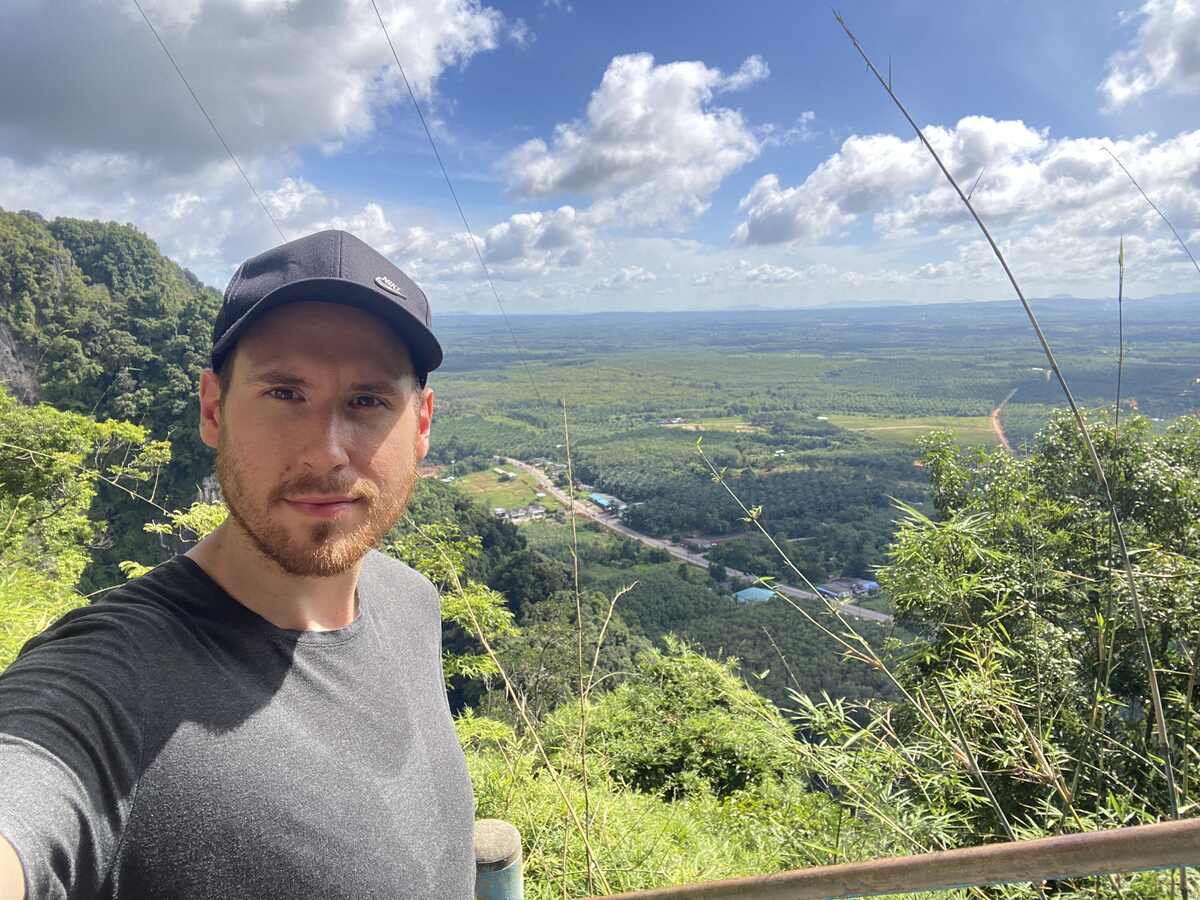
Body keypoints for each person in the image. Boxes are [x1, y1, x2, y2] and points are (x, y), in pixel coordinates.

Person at [0, 230, 476, 899]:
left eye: (367, 401)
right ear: (214, 409)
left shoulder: (410, 601)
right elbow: (31, 769)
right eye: (285, 394)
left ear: (421, 424)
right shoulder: (113, 679)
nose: (327, 453)